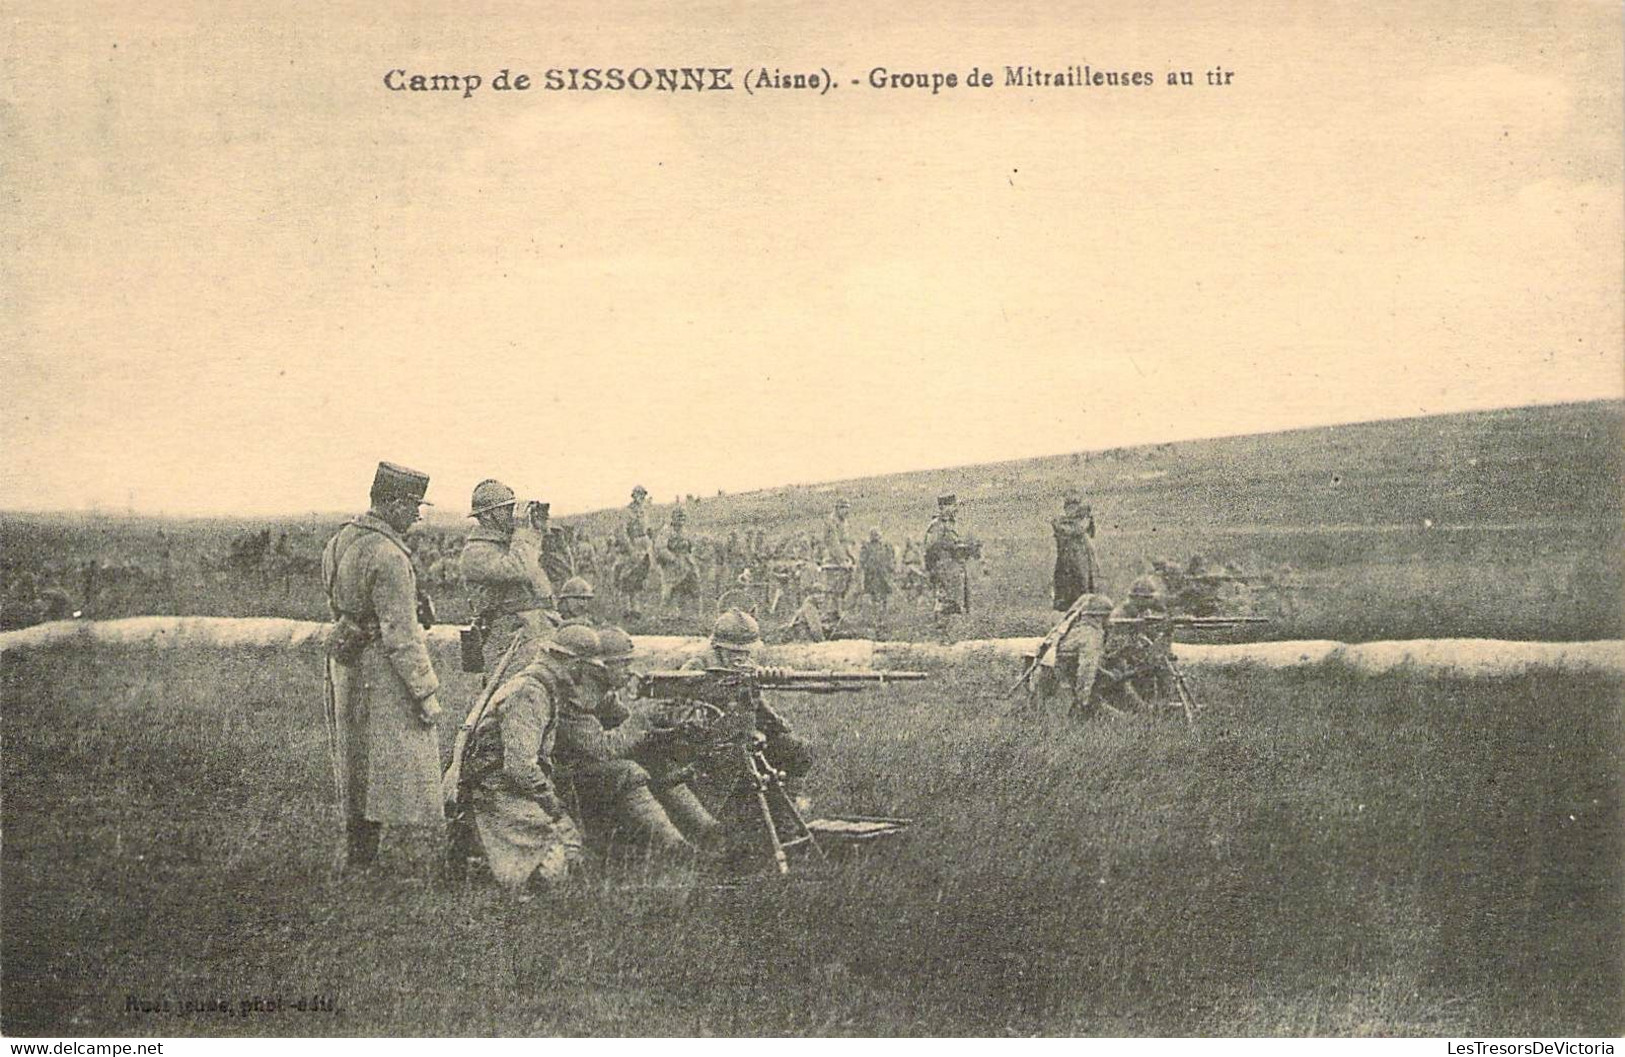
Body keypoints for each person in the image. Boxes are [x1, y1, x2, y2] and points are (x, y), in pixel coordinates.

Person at [321, 461, 446, 873]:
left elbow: (338, 602)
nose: (416, 515)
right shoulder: (390, 556)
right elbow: (402, 636)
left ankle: (360, 857)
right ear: (390, 503)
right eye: (411, 505)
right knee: (384, 764)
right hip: (380, 670)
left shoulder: (340, 540)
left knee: (356, 763)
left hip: (347, 664)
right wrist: (426, 693)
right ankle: (371, 861)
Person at [553, 626, 720, 859]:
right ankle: (676, 848)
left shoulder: (602, 693)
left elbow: (628, 727)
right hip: (566, 778)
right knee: (628, 771)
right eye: (623, 664)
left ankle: (709, 830)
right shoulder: (573, 700)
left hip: (588, 770)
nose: (630, 671)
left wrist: (669, 725)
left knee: (654, 756)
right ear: (601, 667)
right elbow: (602, 749)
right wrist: (643, 717)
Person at [460, 625, 593, 894]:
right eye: (585, 667)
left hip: (506, 787)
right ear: (573, 664)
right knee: (555, 861)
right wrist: (552, 805)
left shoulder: (541, 685)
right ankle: (481, 860)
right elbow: (519, 768)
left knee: (570, 848)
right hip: (495, 789)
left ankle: (483, 858)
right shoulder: (530, 693)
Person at [680, 609, 814, 792]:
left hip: (743, 734)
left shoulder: (747, 667)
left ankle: (785, 804)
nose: (740, 658)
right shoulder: (697, 667)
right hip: (708, 740)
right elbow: (676, 712)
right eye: (733, 652)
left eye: (746, 652)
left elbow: (759, 707)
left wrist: (779, 726)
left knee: (797, 749)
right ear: (717, 647)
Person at [460, 479, 556, 678]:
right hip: (508, 641)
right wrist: (523, 531)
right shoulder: (476, 552)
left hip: (539, 631)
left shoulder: (515, 543)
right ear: (486, 515)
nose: (512, 514)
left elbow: (559, 572)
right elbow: (520, 569)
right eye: (506, 509)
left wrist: (541, 529)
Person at [1031, 593, 1114, 720]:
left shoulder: (1075, 628)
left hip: (1051, 677)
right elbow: (1086, 670)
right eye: (1107, 617)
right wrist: (1082, 700)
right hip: (1062, 684)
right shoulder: (1091, 636)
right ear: (1099, 617)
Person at [1097, 576, 1173, 713]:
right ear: (1135, 598)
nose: (1149, 603)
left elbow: (1149, 637)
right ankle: (1143, 708)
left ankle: (1161, 704)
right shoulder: (1120, 615)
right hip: (1114, 663)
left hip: (1131, 659)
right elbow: (1114, 649)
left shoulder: (1143, 613)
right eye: (1146, 599)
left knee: (1160, 664)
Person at [923, 494, 977, 638]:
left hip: (954, 569)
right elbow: (930, 548)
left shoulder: (951, 525)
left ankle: (950, 636)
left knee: (955, 603)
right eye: (952, 505)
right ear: (942, 507)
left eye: (955, 505)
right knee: (944, 602)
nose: (955, 508)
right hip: (944, 569)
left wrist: (964, 549)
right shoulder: (937, 525)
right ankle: (941, 636)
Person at [614, 485, 659, 618]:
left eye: (643, 495)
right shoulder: (627, 512)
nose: (641, 498)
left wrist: (651, 536)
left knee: (639, 579)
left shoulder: (644, 512)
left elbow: (647, 529)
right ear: (633, 496)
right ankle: (627, 610)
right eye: (638, 495)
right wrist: (630, 549)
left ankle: (636, 610)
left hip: (644, 548)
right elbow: (622, 532)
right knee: (627, 578)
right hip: (632, 549)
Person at [1051, 493, 1101, 610]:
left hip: (1081, 559)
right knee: (1066, 587)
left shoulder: (1080, 522)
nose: (1071, 511)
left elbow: (1088, 532)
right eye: (1069, 508)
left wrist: (1088, 518)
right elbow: (1071, 531)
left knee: (1083, 583)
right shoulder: (1062, 523)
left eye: (1074, 507)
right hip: (1067, 561)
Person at [821, 497, 857, 622]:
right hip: (832, 560)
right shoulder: (831, 522)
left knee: (842, 587)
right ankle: (828, 613)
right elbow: (833, 544)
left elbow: (847, 542)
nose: (846, 511)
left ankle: (838, 612)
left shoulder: (845, 522)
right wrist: (842, 560)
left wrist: (852, 557)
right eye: (843, 508)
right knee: (832, 588)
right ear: (837, 508)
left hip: (844, 559)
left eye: (848, 508)